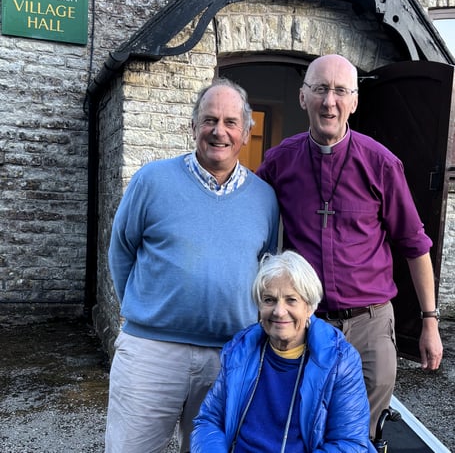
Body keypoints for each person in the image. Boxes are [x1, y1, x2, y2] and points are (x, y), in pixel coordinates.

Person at [256, 54, 443, 437]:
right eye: (320, 89)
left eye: (341, 91)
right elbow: (246, 222)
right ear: (302, 98)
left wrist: (430, 322)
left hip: (371, 325)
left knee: (361, 432)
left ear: (354, 102)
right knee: (301, 425)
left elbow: (414, 244)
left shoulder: (381, 164)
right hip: (305, 323)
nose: (330, 101)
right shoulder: (278, 162)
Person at [105, 78, 280, 453]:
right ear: (193, 126)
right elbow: (121, 249)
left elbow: (266, 271)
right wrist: (147, 309)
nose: (219, 131)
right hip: (151, 352)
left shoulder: (265, 199)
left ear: (246, 133)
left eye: (231, 122)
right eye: (209, 120)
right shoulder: (152, 180)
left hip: (229, 358)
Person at [191, 250, 376, 452]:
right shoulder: (240, 350)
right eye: (269, 300)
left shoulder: (340, 361)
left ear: (310, 306)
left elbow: (348, 443)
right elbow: (209, 420)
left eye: (291, 300)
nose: (279, 311)